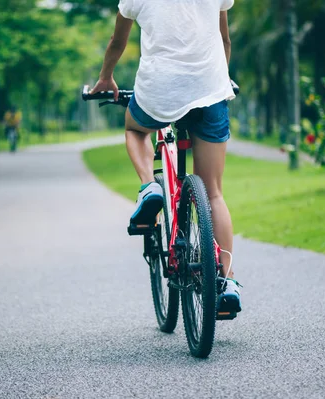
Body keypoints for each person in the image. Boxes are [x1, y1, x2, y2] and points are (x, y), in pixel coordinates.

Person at [90, 0, 241, 313]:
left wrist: (106, 77)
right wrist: (220, 80)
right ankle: (227, 281)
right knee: (213, 192)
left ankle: (150, 186)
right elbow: (224, 40)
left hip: (159, 90)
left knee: (135, 130)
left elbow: (118, 41)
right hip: (209, 89)